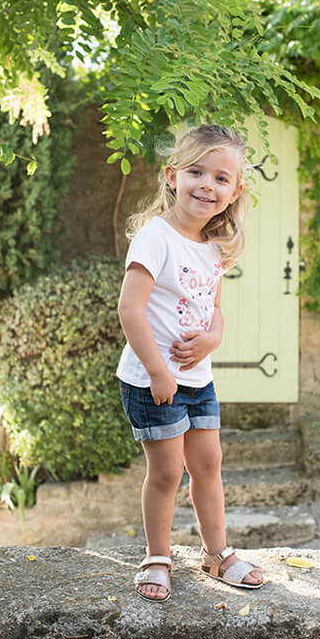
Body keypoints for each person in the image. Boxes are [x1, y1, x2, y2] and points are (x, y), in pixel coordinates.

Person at [116, 124, 265, 602]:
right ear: (171, 176)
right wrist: (160, 370)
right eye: (196, 171)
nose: (207, 184)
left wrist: (213, 339)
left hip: (198, 378)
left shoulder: (211, 248)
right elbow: (130, 308)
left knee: (208, 464)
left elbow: (214, 309)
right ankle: (157, 556)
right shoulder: (155, 237)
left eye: (221, 178)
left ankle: (216, 553)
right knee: (166, 472)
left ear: (234, 191)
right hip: (152, 380)